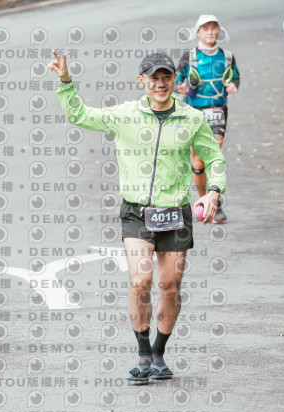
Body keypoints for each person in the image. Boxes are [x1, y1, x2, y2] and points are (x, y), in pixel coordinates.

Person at [48, 50, 227, 382]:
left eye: (166, 77)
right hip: (137, 212)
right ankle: (143, 353)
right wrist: (66, 81)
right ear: (141, 80)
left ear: (175, 79)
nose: (160, 83)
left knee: (169, 286)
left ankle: (159, 352)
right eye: (153, 78)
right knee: (140, 281)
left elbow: (214, 158)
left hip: (175, 213)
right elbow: (79, 114)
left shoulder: (191, 118)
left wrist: (213, 190)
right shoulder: (125, 114)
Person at [176, 14, 239, 222]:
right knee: (197, 162)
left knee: (212, 154)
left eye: (214, 28)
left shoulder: (227, 56)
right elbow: (177, 81)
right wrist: (181, 87)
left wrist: (233, 85)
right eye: (206, 28)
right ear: (198, 32)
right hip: (194, 113)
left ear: (219, 31)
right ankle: (205, 200)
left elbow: (235, 77)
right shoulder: (189, 57)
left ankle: (212, 200)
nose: (210, 32)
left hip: (218, 111)